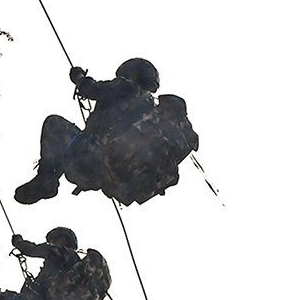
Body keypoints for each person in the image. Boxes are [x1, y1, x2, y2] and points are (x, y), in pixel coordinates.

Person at [14, 58, 199, 207]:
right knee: (77, 141)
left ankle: (46, 181)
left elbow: (92, 89)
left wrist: (79, 77)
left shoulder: (128, 87)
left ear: (132, 74)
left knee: (54, 124)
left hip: (87, 154)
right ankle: (51, 180)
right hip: (105, 174)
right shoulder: (151, 109)